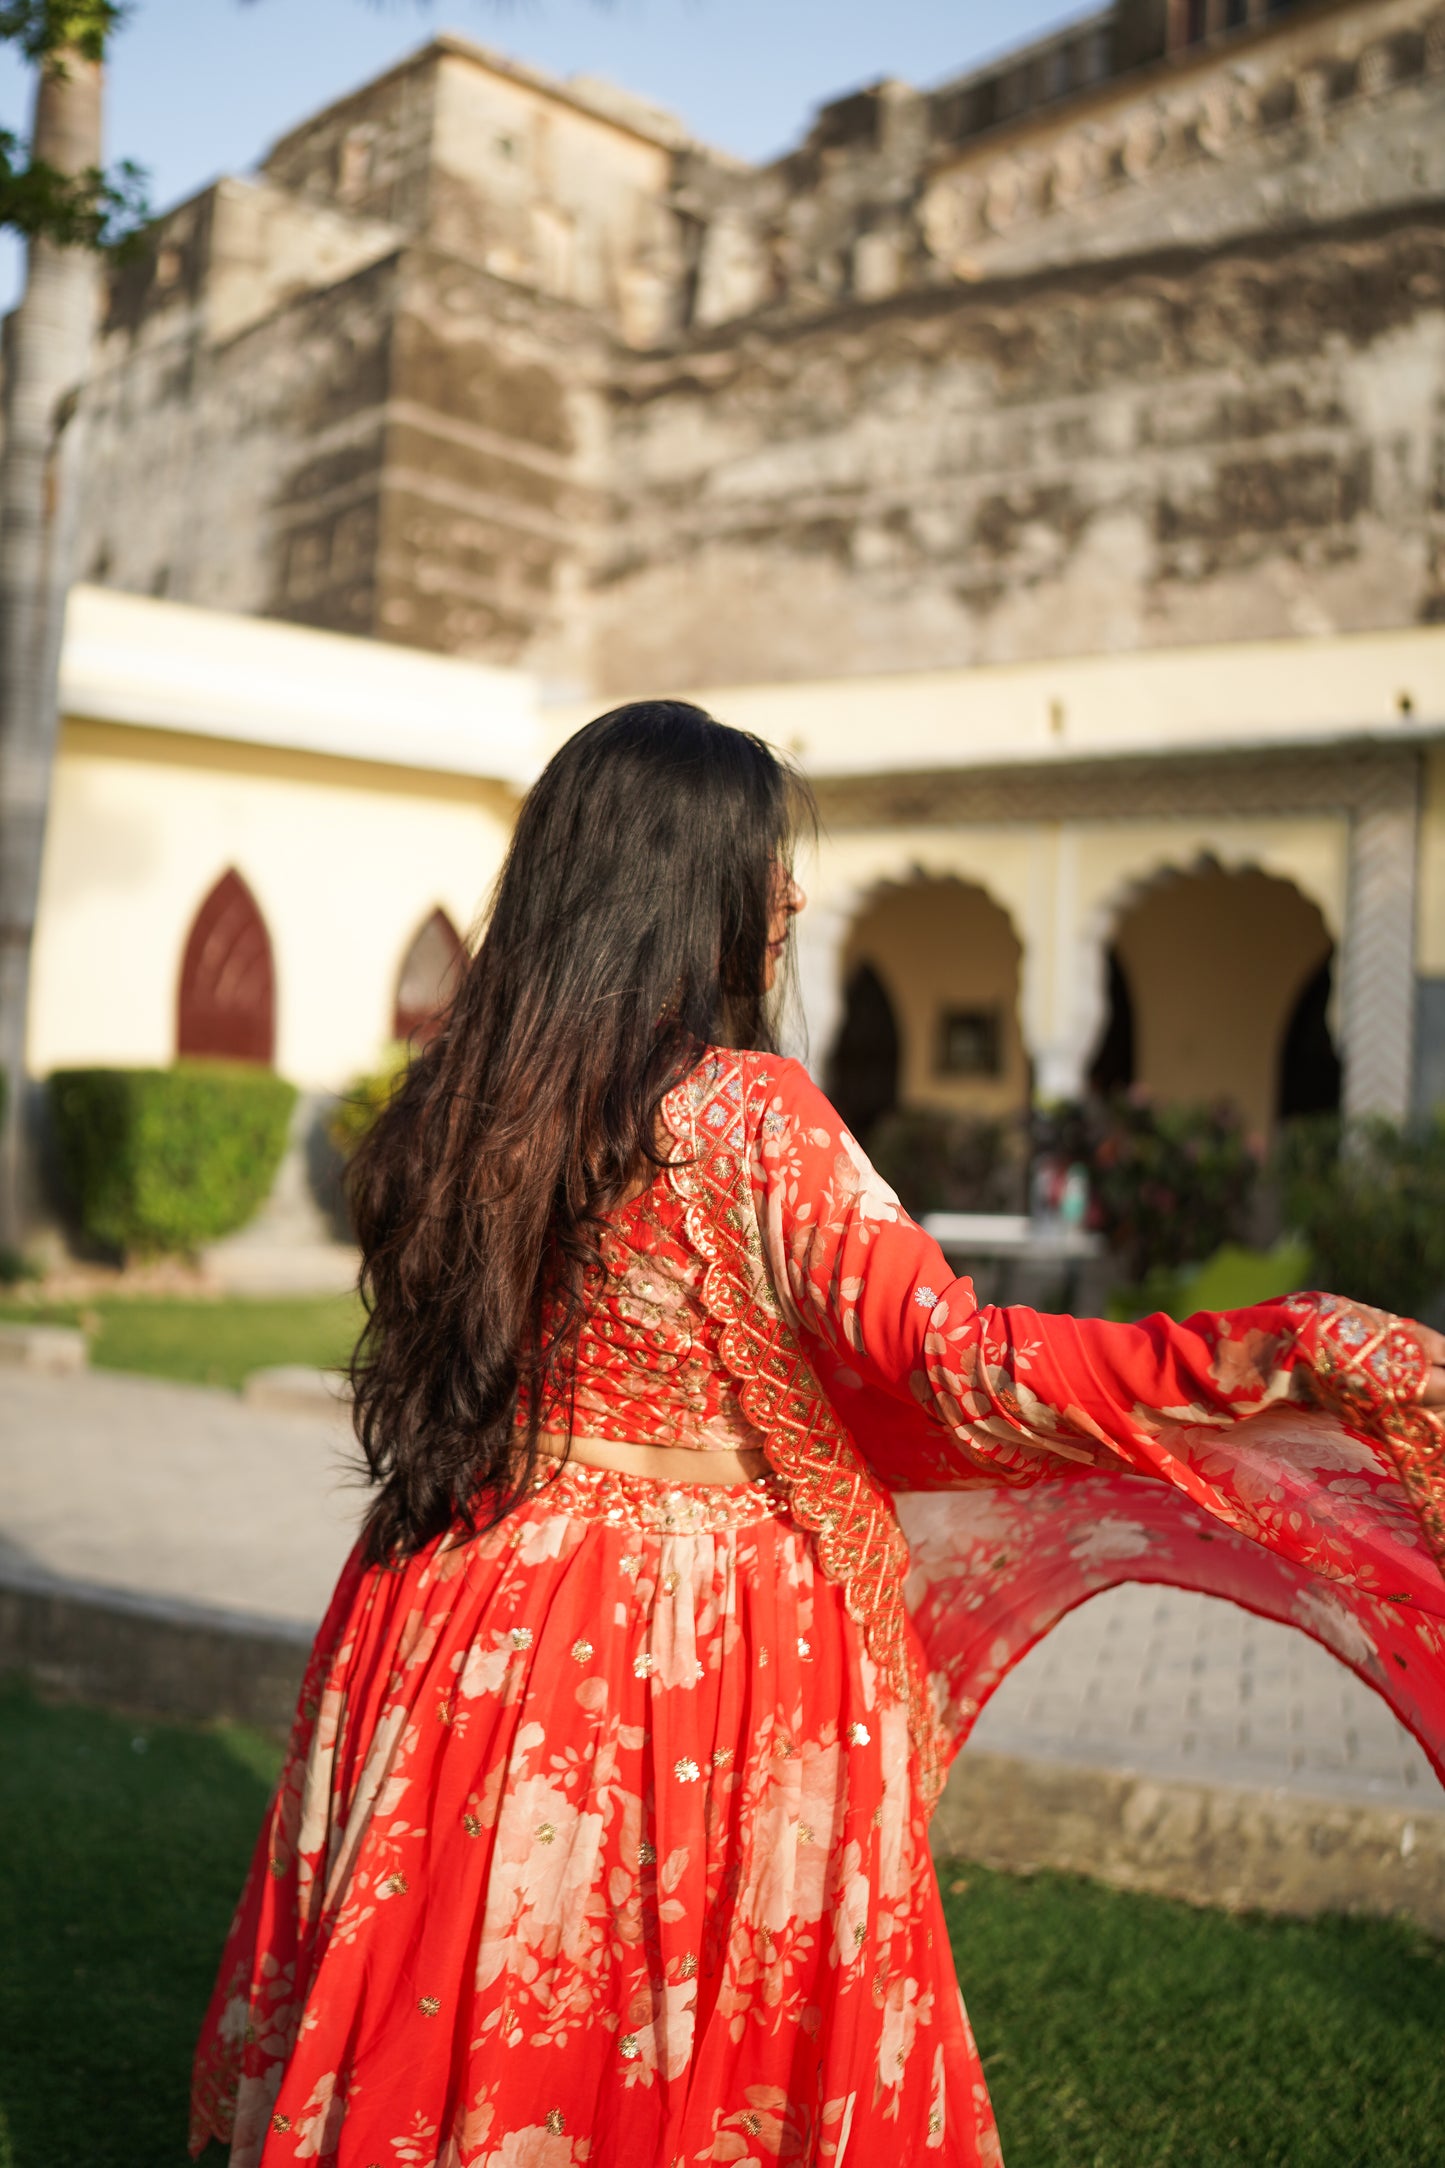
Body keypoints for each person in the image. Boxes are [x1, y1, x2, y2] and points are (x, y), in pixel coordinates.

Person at [190, 703, 1445, 2168]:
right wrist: (1268, 1352)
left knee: (493, 1993)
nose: (786, 897)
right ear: (676, 889)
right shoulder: (746, 1114)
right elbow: (964, 1367)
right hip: (686, 1643)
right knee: (660, 2023)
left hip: (461, 1603)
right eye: (757, 863)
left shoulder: (458, 1104)